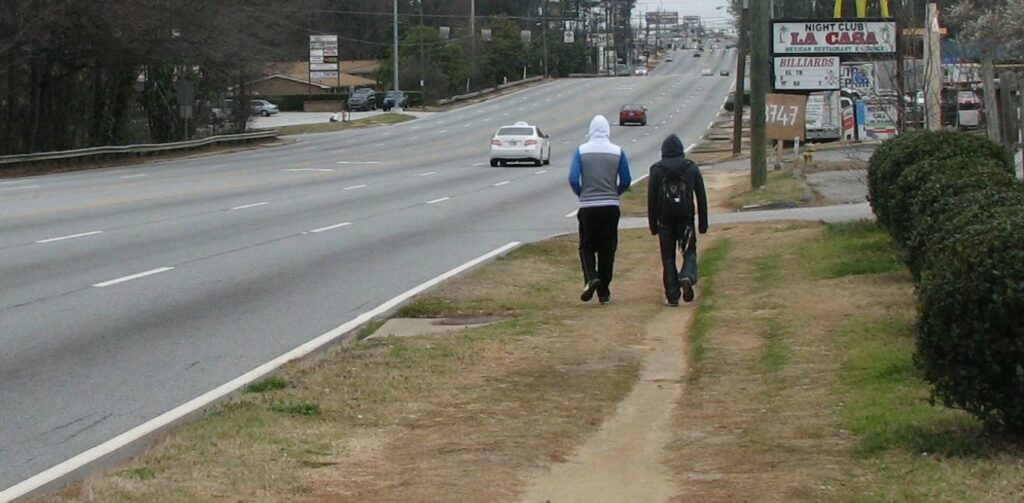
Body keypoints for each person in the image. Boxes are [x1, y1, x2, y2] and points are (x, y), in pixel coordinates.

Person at [569, 115, 632, 305]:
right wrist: (615, 192)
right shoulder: (617, 152)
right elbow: (626, 179)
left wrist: (581, 193)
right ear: (607, 131)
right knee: (607, 248)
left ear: (591, 131)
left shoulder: (581, 151)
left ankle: (591, 277)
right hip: (610, 206)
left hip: (588, 206)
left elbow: (573, 178)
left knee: (586, 246)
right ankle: (604, 290)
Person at [647, 134, 708, 306]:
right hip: (686, 218)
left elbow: (651, 200)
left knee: (668, 257)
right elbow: (701, 197)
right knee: (689, 251)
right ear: (681, 150)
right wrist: (703, 223)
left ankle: (672, 294)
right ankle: (687, 275)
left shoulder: (657, 169)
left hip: (664, 221)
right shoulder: (690, 167)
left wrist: (653, 225)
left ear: (663, 151)